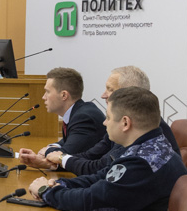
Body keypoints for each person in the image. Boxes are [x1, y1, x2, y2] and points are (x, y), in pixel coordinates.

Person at [27, 88, 187, 211]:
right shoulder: (147, 146)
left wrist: (47, 192)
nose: (104, 123)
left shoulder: (143, 162)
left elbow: (92, 201)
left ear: (126, 123)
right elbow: (99, 178)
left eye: (108, 117)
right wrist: (61, 184)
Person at [20, 66, 177, 175]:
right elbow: (92, 157)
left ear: (129, 94)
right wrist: (51, 164)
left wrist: (53, 187)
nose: (103, 95)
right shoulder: (121, 127)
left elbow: (100, 170)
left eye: (110, 89)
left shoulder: (147, 130)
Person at [33, 66, 108, 157]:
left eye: (47, 92)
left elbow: (66, 155)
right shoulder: (77, 111)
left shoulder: (84, 117)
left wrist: (47, 151)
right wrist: (54, 146)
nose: (43, 97)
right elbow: (71, 140)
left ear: (64, 95)